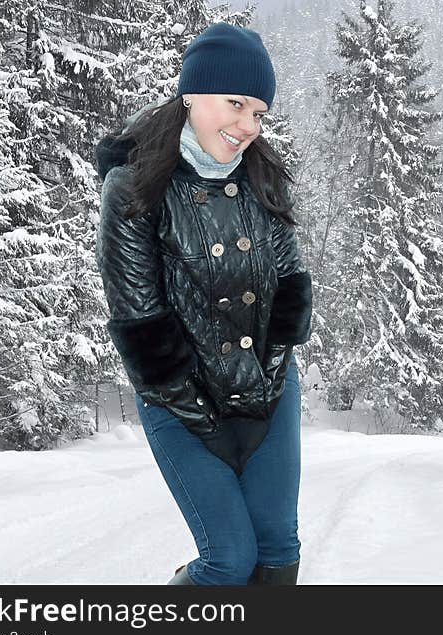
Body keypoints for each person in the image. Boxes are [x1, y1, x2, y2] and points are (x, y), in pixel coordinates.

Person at [93, 23, 312, 585]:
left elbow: (288, 289)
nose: (246, 127)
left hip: (267, 383)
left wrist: (265, 385)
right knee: (228, 561)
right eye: (235, 104)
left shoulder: (264, 177)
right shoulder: (135, 186)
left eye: (258, 113)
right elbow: (142, 325)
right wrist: (209, 424)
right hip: (178, 397)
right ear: (191, 94)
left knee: (278, 555)